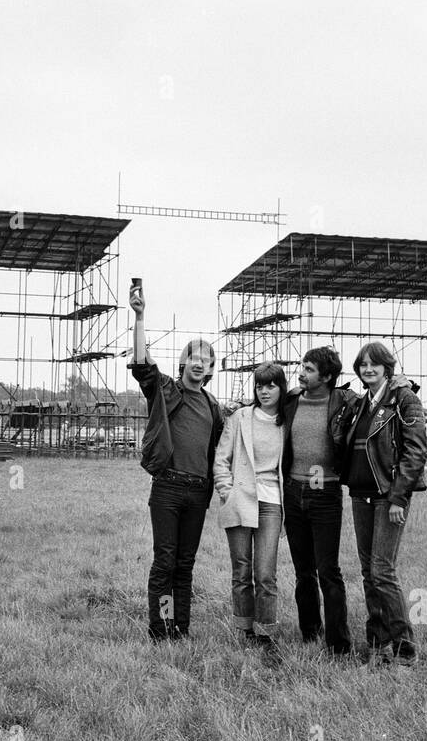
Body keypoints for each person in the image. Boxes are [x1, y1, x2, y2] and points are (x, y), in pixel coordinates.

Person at [128, 280, 224, 641]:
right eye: (193, 357)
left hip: (199, 493)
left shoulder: (214, 407)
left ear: (212, 367)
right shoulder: (166, 390)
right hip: (167, 488)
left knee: (185, 565)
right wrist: (139, 318)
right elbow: (141, 363)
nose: (199, 363)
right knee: (165, 562)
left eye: (206, 359)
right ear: (183, 362)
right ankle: (161, 626)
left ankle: (180, 627)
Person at [343, 341, 427, 664]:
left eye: (373, 364)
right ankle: (378, 643)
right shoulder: (360, 404)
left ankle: (405, 644)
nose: (367, 369)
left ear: (386, 366)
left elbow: (415, 451)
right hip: (360, 496)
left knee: (382, 571)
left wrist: (399, 496)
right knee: (368, 572)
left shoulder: (404, 399)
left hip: (387, 498)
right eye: (362, 364)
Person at [281, 346, 360, 655]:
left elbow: (377, 404)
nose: (302, 371)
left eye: (310, 369)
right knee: (303, 572)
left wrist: (406, 385)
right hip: (294, 492)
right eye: (302, 366)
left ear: (327, 377)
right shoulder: (290, 402)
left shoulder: (344, 402)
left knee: (328, 571)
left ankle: (339, 644)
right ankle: (310, 633)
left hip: (325, 495)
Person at [214, 362, 287, 649]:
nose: (265, 391)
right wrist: (226, 491)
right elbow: (221, 459)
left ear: (281, 387)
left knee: (266, 573)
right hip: (241, 499)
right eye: (259, 385)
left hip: (272, 504)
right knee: (241, 570)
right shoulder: (240, 418)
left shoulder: (287, 420)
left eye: (271, 385)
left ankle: (265, 632)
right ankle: (244, 628)